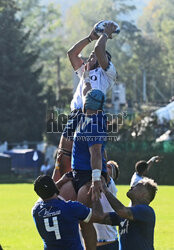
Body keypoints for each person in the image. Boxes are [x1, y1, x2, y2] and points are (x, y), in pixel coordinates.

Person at [56, 21, 118, 177]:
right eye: (90, 55)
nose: (91, 55)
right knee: (63, 155)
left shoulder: (108, 74)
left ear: (106, 60)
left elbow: (98, 49)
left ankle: (102, 181)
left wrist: (105, 34)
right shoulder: (85, 71)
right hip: (76, 113)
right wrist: (90, 38)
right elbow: (72, 54)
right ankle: (58, 190)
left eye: (95, 56)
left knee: (94, 153)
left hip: (92, 115)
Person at [32, 175, 118, 250]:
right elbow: (99, 216)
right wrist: (95, 195)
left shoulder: (36, 211)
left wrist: (59, 182)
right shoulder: (72, 208)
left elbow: (42, 198)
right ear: (54, 187)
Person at [102, 177, 157, 250]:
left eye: (137, 186)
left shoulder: (146, 211)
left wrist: (105, 189)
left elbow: (122, 211)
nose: (132, 187)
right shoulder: (127, 213)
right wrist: (95, 196)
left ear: (144, 194)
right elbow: (100, 217)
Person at [94, 161, 119, 250]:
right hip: (92, 243)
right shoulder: (92, 185)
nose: (105, 167)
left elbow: (100, 170)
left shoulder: (110, 185)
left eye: (109, 167)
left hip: (109, 241)